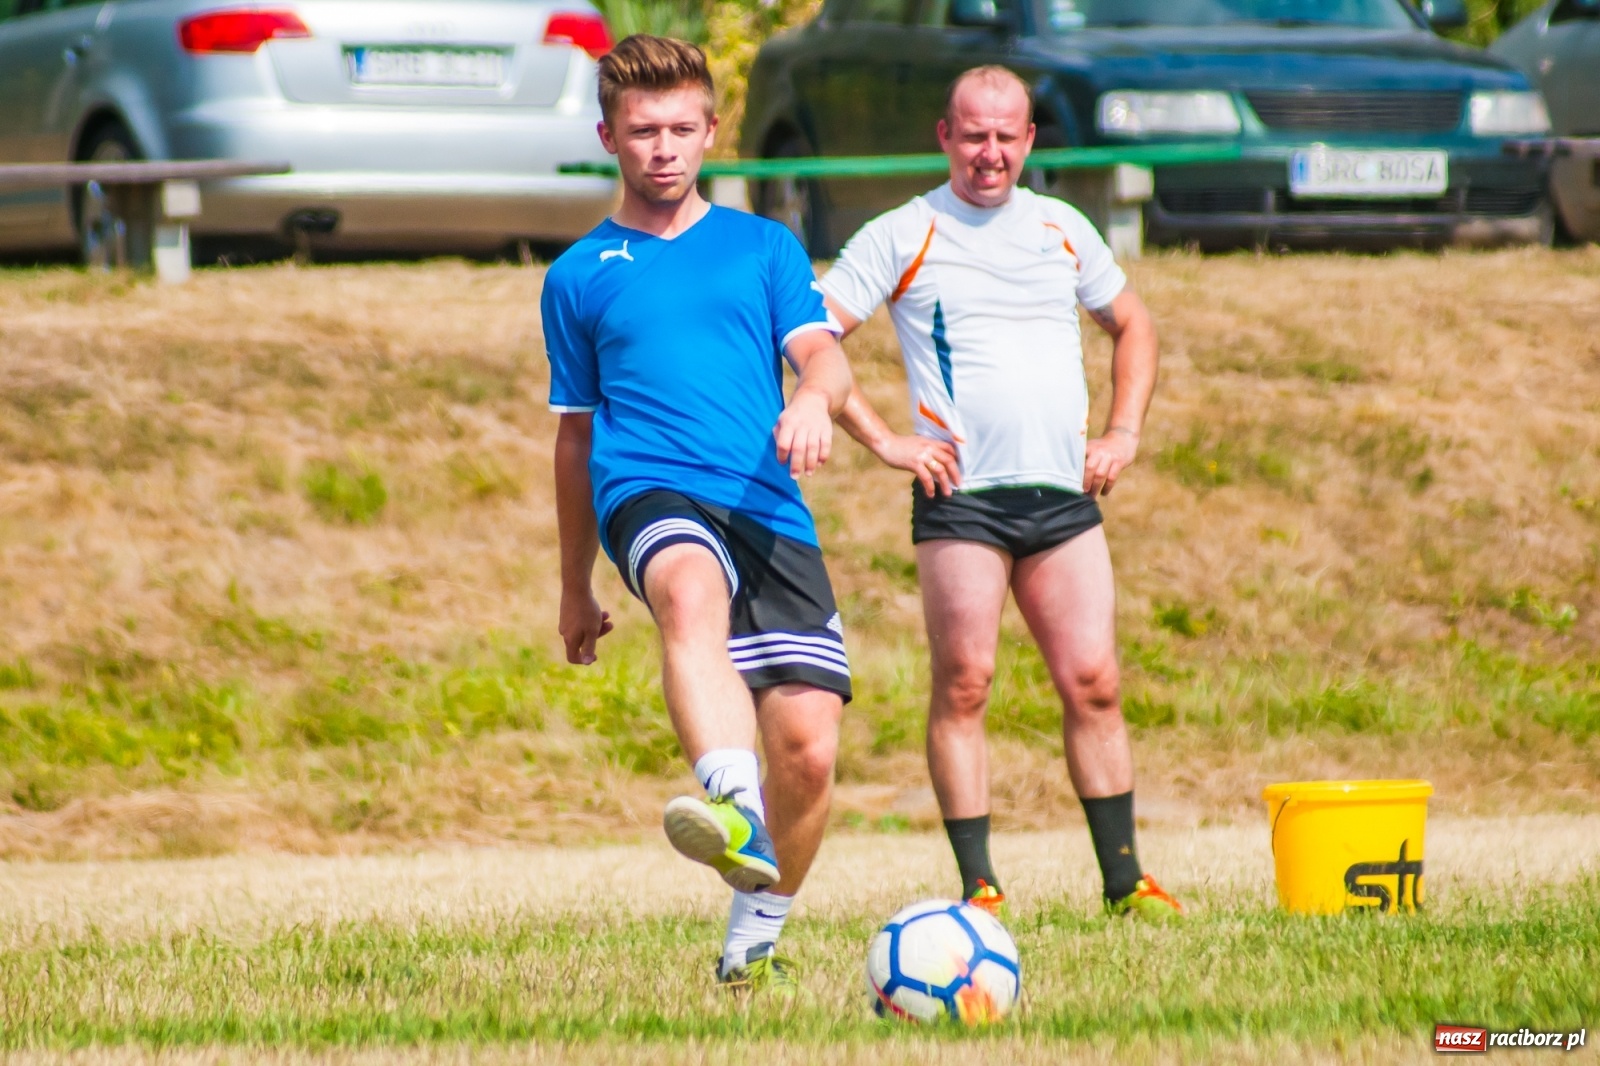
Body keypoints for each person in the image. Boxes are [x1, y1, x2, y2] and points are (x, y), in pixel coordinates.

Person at [820, 65, 1181, 920]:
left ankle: (1126, 882)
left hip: (1060, 497)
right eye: (973, 134)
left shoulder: (1062, 226)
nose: (990, 153)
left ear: (1028, 141)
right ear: (945, 136)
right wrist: (884, 440)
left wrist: (1123, 432)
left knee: (1094, 681)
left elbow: (1134, 323)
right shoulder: (901, 232)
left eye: (1006, 136)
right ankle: (980, 885)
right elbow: (809, 338)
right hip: (963, 500)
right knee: (967, 682)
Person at [543, 34, 855, 989]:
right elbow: (574, 439)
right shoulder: (579, 274)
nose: (664, 149)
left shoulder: (763, 246)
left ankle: (753, 933)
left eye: (683, 128)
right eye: (643, 132)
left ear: (713, 131)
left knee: (807, 751)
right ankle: (729, 802)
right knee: (686, 592)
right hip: (648, 491)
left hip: (768, 508)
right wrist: (574, 585)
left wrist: (809, 398)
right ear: (609, 136)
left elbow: (826, 356)